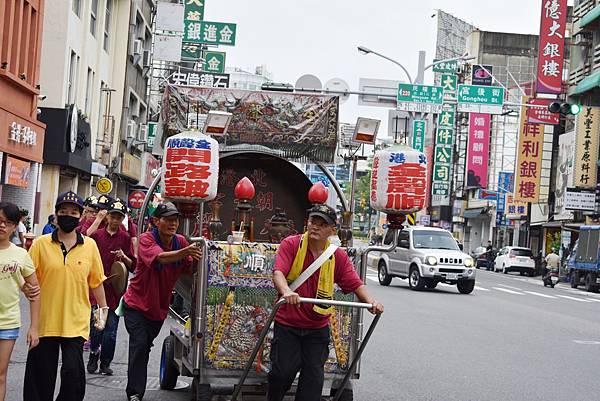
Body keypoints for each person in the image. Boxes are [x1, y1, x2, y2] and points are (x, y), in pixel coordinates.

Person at [267, 204, 384, 401]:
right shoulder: (291, 244)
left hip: (317, 327)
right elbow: (278, 272)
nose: (315, 227)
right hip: (288, 324)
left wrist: (372, 302)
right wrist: (286, 291)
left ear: (332, 230)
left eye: (322, 224)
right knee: (282, 373)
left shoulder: (337, 256)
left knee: (313, 381)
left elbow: (355, 283)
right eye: (313, 222)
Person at [23, 191, 109, 401]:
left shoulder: (89, 246)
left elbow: (96, 281)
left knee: (73, 375)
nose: (68, 216)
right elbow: (28, 277)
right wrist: (26, 288)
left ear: (80, 216)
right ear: (56, 215)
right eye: (63, 212)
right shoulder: (41, 244)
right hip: (45, 321)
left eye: (73, 212)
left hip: (76, 321)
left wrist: (103, 310)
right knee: (41, 377)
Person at [122, 202, 202, 401]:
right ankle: (134, 393)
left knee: (145, 346)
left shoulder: (181, 242)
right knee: (139, 345)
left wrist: (205, 258)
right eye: (167, 219)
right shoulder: (146, 239)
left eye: (175, 220)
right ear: (156, 221)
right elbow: (160, 258)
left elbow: (189, 270)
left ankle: (135, 386)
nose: (173, 223)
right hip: (136, 305)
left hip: (158, 309)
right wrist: (186, 252)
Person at [87, 199, 136, 376]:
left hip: (116, 292)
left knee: (111, 331)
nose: (115, 220)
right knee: (97, 327)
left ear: (122, 219)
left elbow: (133, 266)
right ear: (107, 216)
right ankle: (93, 355)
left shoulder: (125, 238)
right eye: (113, 216)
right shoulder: (97, 236)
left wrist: (124, 257)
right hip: (98, 289)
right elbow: (85, 237)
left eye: (119, 217)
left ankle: (105, 363)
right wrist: (97, 219)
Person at [0, 202, 40, 401]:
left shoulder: (21, 254)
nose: (2, 226)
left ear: (15, 226)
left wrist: (34, 327)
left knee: (0, 375)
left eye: (8, 222)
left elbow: (35, 291)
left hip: (8, 322)